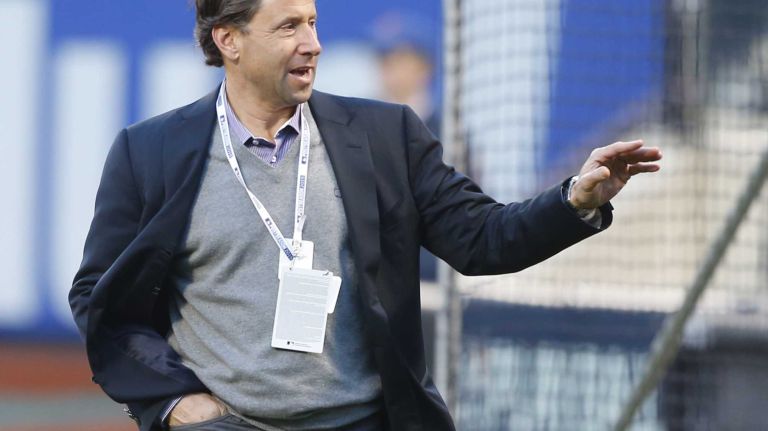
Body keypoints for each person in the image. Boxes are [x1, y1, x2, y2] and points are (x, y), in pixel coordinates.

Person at [68, 0, 662, 430]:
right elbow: (101, 299)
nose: (313, 43)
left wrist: (574, 202)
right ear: (229, 40)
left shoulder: (386, 135)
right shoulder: (150, 152)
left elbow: (485, 239)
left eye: (314, 22)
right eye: (289, 26)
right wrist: (175, 406)